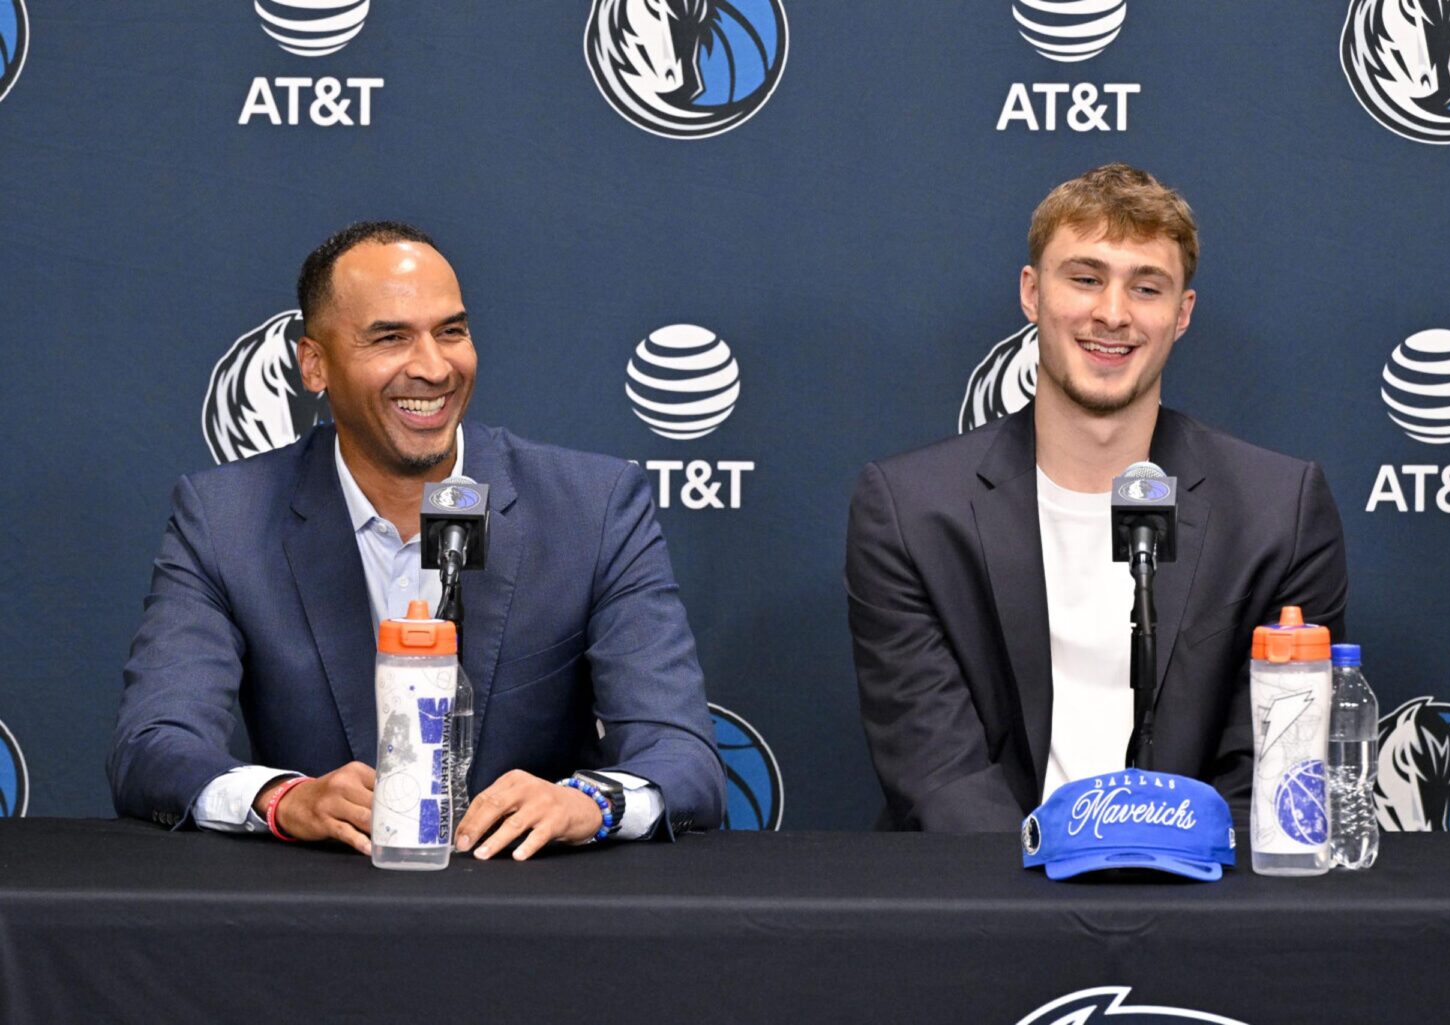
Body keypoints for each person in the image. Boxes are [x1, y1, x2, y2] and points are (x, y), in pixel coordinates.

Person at [110, 221, 724, 858]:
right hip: (314, 917)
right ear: (315, 364)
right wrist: (281, 800)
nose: (433, 368)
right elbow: (154, 743)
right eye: (390, 338)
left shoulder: (592, 508)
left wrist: (590, 802)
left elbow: (681, 757)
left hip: (533, 912)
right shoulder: (224, 520)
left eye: (451, 332)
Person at [845, 164, 1347, 831]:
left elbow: (1270, 774)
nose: (1112, 313)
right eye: (1085, 278)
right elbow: (938, 773)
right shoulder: (910, 511)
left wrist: (1156, 890)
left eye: (1147, 287)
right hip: (987, 901)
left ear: (1183, 314)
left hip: (1200, 906)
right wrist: (1054, 899)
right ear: (1031, 293)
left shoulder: (1278, 511)